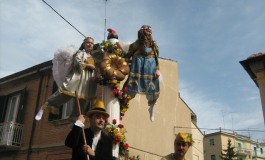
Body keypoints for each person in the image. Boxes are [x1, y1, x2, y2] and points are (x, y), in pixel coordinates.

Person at [35, 37, 97, 120]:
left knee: (82, 101)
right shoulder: (80, 53)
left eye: (92, 43)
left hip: (86, 81)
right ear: (84, 44)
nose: (90, 44)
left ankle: (74, 119)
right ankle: (45, 106)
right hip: (77, 77)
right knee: (65, 93)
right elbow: (77, 62)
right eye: (88, 42)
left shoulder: (93, 57)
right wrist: (88, 65)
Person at [123, 25, 160, 122]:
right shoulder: (136, 44)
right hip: (138, 67)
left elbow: (156, 59)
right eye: (147, 31)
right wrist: (121, 56)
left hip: (150, 67)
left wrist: (157, 69)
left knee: (153, 87)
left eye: (150, 32)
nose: (149, 33)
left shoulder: (154, 44)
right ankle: (123, 103)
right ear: (142, 32)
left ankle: (151, 108)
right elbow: (128, 55)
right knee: (132, 86)